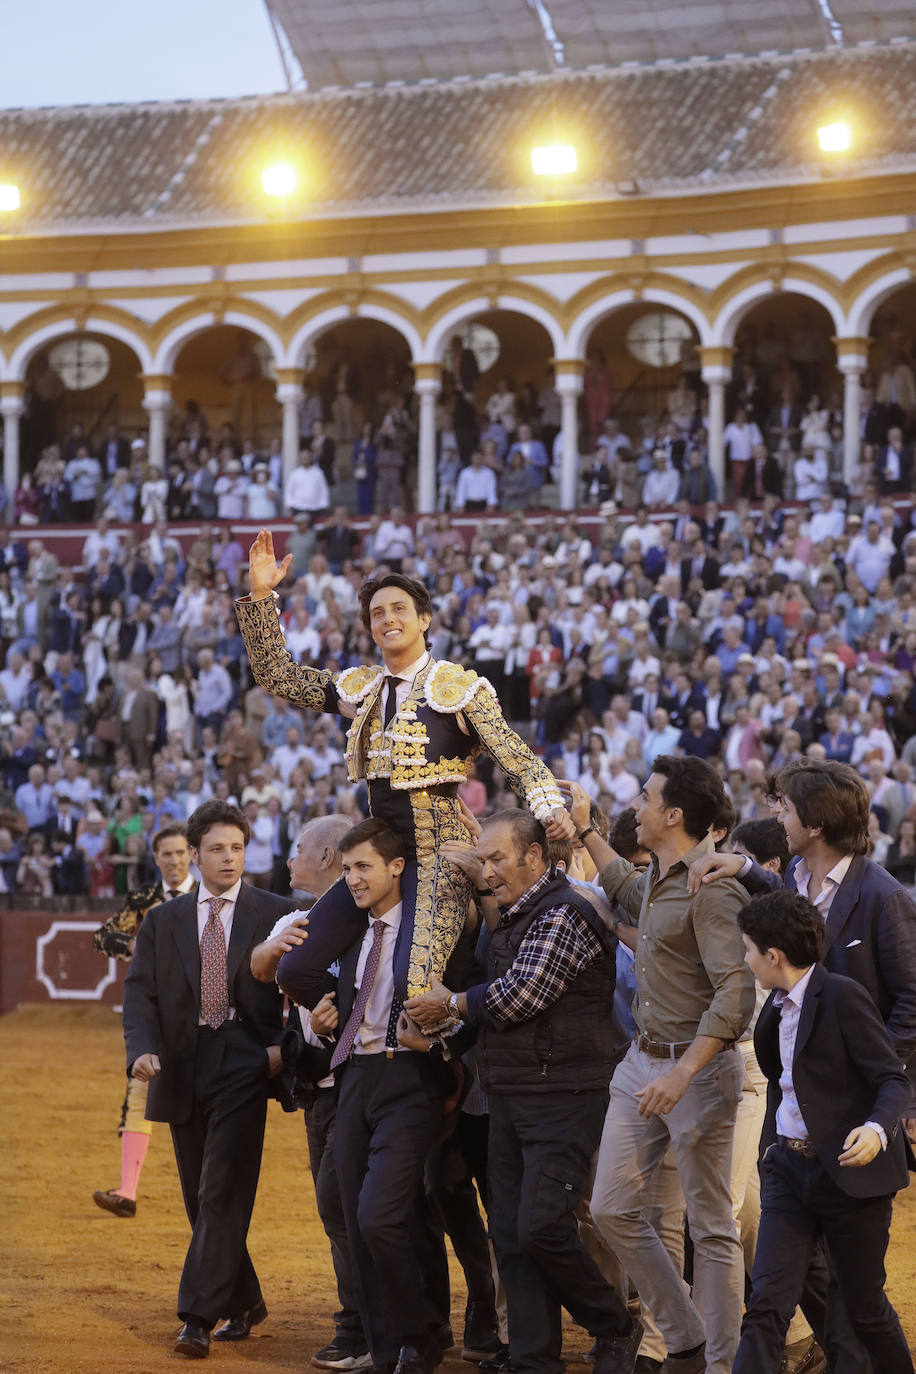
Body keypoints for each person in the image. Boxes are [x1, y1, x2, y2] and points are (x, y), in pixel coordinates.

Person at [235, 530, 573, 1015]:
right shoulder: (363, 688)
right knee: (295, 969)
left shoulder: (457, 688)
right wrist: (263, 597)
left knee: (416, 984)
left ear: (424, 620)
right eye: (377, 613)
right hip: (379, 850)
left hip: (441, 853)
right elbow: (280, 678)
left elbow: (514, 754)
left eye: (398, 609)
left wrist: (550, 807)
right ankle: (348, 1043)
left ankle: (446, 1071)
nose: (387, 619)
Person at [688, 757, 916, 1373]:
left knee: (859, 1304)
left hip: (853, 1126)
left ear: (815, 822)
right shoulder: (793, 873)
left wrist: (856, 1078)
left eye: (785, 808)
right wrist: (740, 867)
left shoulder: (882, 896)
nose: (776, 816)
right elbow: (784, 916)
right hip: (795, 1136)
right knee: (777, 1299)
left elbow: (912, 999)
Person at [406, 811, 643, 1374]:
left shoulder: (567, 911)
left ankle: (615, 1323)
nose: (485, 872)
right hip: (516, 1091)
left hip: (565, 1094)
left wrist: (451, 1004)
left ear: (535, 857)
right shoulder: (521, 911)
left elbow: (518, 997)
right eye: (481, 859)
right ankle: (535, 1358)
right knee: (511, 1232)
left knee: (541, 1226)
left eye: (495, 859)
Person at [569, 757, 754, 1374]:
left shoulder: (713, 886)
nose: (637, 805)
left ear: (673, 815)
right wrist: (586, 826)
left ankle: (721, 1365)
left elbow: (735, 991)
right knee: (611, 1207)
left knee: (710, 1225)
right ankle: (686, 1337)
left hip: (695, 1073)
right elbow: (622, 883)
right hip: (641, 1061)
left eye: (646, 797)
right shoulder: (660, 875)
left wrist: (684, 1072)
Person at [281, 818, 479, 1374]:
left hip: (409, 1082)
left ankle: (419, 1338)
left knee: (379, 1216)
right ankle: (386, 1347)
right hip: (353, 1079)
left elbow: (470, 1000)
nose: (353, 881)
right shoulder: (349, 937)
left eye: (363, 867)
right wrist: (324, 1024)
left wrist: (441, 1044)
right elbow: (325, 1000)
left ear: (397, 867)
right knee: (353, 1211)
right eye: (345, 870)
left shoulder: (432, 936)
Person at [122, 800, 296, 1359]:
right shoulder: (161, 920)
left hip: (245, 1061)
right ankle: (244, 1298)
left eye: (238, 848)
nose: (229, 858)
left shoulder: (278, 911)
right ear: (194, 856)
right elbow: (139, 994)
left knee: (223, 1188)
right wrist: (141, 1051)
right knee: (201, 1195)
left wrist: (279, 1052)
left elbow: (311, 987)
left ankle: (197, 1315)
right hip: (180, 1062)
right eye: (218, 849)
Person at [732, 891, 913, 1374]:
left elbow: (892, 1078)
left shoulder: (842, 996)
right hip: (790, 1173)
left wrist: (877, 1129)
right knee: (767, 1305)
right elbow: (780, 1080)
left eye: (748, 948)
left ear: (774, 956)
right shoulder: (774, 1005)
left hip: (850, 1177)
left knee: (861, 1309)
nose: (744, 957)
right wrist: (774, 1144)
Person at [250, 814, 372, 1371]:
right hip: (319, 1089)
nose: (288, 859)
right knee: (338, 1210)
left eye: (298, 849)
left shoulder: (371, 920)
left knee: (346, 1207)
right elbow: (255, 968)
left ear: (327, 858)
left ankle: (365, 1328)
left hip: (356, 1086)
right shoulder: (300, 918)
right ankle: (371, 1324)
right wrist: (276, 949)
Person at [90, 824, 196, 1218]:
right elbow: (102, 938)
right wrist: (135, 943)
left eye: (180, 852)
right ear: (156, 859)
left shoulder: (210, 896)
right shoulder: (143, 900)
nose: (174, 860)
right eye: (166, 854)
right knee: (139, 1092)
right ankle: (127, 1193)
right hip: (157, 1013)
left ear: (192, 854)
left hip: (203, 1017)